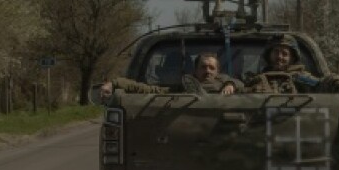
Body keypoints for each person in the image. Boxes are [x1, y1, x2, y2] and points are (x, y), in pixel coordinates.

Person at [99, 50, 240, 99]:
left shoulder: (226, 84)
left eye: (211, 68)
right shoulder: (183, 87)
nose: (207, 71)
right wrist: (114, 83)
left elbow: (247, 85)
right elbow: (147, 89)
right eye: (203, 67)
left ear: (217, 71)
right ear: (195, 71)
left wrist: (231, 84)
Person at [245, 33, 339, 94]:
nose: (279, 57)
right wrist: (230, 84)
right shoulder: (257, 79)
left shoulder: (300, 78)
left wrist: (337, 83)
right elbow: (239, 86)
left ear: (292, 58)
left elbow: (322, 84)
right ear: (269, 55)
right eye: (276, 52)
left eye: (285, 53)